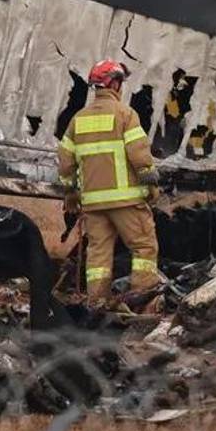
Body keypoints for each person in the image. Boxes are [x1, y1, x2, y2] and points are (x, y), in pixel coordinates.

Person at [58, 59, 161, 306]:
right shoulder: (126, 114)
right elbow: (139, 155)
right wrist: (151, 185)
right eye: (121, 82)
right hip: (125, 201)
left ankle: (97, 304)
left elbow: (65, 162)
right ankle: (141, 302)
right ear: (114, 84)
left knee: (98, 256)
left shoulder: (78, 120)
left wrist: (71, 193)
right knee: (144, 248)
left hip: (93, 203)